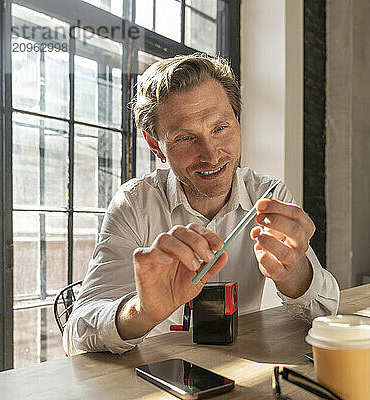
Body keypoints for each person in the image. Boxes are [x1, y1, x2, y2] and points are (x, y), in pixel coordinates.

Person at [63, 54, 340, 355]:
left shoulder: (268, 195)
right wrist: (142, 311)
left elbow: (325, 313)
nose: (211, 155)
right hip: (154, 379)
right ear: (155, 144)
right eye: (185, 138)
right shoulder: (134, 205)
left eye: (221, 128)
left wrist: (293, 272)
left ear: (237, 121)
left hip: (242, 372)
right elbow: (76, 336)